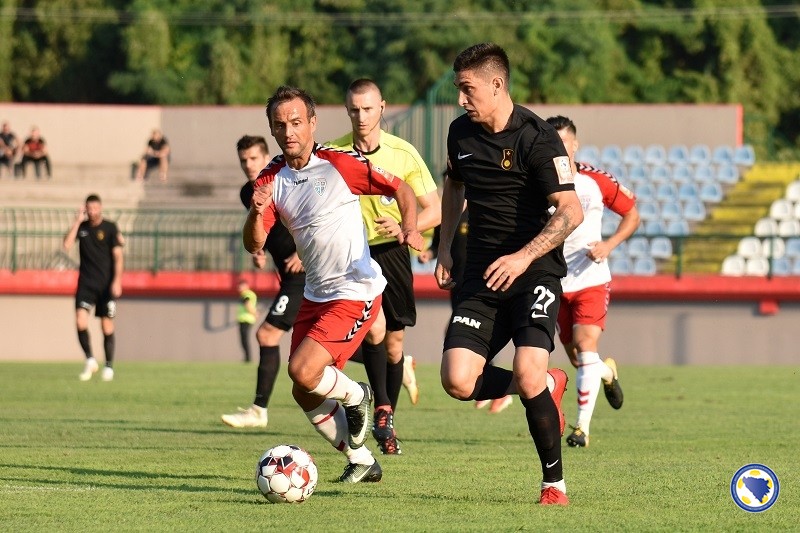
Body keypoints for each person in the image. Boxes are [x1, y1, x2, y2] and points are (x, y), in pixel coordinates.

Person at [243, 85, 424, 483]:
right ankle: (362, 460)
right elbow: (254, 243)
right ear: (271, 129)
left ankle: (359, 395)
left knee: (302, 370)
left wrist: (410, 227)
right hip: (316, 294)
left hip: (356, 291)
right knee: (303, 389)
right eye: (280, 125)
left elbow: (402, 189)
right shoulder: (271, 179)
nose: (289, 131)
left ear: (312, 123)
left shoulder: (338, 162)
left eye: (296, 122)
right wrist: (256, 212)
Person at [434, 43, 583, 506]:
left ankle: (553, 485)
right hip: (481, 275)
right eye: (458, 89)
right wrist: (445, 246)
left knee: (526, 368)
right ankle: (546, 385)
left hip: (535, 272)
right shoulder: (460, 133)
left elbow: (571, 212)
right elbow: (454, 184)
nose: (460, 99)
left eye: (467, 89)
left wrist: (522, 257)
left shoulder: (539, 138)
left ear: (497, 84)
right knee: (458, 381)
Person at [326, 78, 441, 454]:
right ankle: (380, 407)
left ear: (382, 108)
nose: (361, 116)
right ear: (347, 110)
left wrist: (406, 227)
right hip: (349, 256)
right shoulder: (333, 154)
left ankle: (386, 421)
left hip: (391, 253)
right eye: (354, 109)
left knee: (393, 344)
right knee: (365, 332)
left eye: (368, 108)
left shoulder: (402, 154)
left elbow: (435, 210)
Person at [546, 115, 638, 448]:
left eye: (562, 143)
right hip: (556, 279)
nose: (558, 149)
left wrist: (609, 245)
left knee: (586, 347)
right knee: (578, 358)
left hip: (591, 277)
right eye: (551, 143)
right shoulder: (538, 181)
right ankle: (606, 372)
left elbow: (632, 214)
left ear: (575, 145)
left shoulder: (595, 180)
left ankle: (581, 429)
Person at [221, 135, 306, 429]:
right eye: (243, 160)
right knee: (314, 342)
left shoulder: (284, 182)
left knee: (267, 335)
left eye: (254, 158)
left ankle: (259, 410)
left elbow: (311, 217)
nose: (248, 164)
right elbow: (264, 227)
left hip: (305, 274)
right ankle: (390, 359)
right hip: (289, 276)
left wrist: (304, 253)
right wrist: (260, 250)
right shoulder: (248, 192)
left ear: (266, 157)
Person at [420, 187, 514, 414]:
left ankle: (495, 388)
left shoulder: (480, 211)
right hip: (456, 285)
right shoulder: (448, 216)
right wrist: (429, 254)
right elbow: (438, 245)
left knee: (462, 333)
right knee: (460, 335)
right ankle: (488, 387)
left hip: (478, 287)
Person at [63, 194, 124, 382]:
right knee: (80, 321)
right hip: (86, 284)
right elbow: (66, 245)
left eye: (95, 208)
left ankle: (109, 366)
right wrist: (76, 221)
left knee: (106, 326)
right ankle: (90, 359)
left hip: (106, 286)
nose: (92, 212)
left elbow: (118, 256)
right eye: (89, 209)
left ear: (100, 208)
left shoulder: (110, 228)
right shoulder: (82, 228)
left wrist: (117, 281)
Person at [236, 279, 258, 363]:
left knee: (244, 339)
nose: (239, 288)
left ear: (246, 286)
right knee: (244, 339)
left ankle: (248, 358)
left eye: (240, 286)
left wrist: (254, 313)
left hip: (246, 319)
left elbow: (247, 303)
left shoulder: (246, 294)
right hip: (245, 319)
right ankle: (247, 357)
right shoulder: (247, 294)